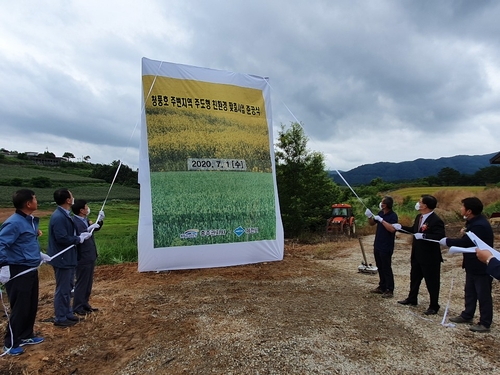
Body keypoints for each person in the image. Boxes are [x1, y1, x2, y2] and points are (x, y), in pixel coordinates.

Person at [0, 189, 48, 356]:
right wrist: (3, 266)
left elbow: (25, 243)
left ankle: (27, 335)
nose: (37, 201)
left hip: (30, 269)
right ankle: (10, 343)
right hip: (18, 270)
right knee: (20, 307)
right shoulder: (14, 223)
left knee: (31, 305)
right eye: (35, 198)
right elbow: (1, 244)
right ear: (28, 203)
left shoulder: (29, 222)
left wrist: (38, 255)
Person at [439, 197, 494, 333]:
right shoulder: (472, 222)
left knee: (483, 295)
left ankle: (485, 323)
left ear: (469, 211)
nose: (460, 209)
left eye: (462, 207)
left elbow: (466, 243)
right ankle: (467, 314)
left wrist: (448, 241)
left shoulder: (479, 225)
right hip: (471, 264)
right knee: (470, 292)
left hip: (481, 266)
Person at [47, 188, 92, 327]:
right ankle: (61, 317)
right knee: (63, 289)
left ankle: (67, 313)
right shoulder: (59, 217)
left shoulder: (64, 215)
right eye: (71, 195)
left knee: (68, 288)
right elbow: (61, 238)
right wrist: (78, 239)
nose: (73, 197)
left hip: (68, 257)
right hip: (63, 258)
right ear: (67, 200)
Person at [396, 195, 445, 315]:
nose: (418, 203)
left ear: (425, 206)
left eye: (420, 202)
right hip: (417, 254)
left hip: (430, 257)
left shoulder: (436, 220)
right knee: (414, 277)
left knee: (432, 281)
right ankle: (412, 298)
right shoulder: (419, 217)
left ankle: (434, 305)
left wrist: (424, 236)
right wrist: (400, 227)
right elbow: (414, 230)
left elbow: (440, 237)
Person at [71, 199, 103, 315]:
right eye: (86, 207)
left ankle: (85, 303)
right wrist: (85, 231)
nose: (87, 208)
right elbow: (78, 237)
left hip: (90, 255)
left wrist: (100, 220)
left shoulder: (85, 220)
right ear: (81, 210)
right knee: (82, 282)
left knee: (88, 282)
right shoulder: (74, 222)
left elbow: (94, 228)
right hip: (82, 257)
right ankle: (78, 306)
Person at [365, 196, 398, 298]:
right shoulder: (380, 213)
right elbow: (372, 224)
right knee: (380, 266)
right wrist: (369, 216)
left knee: (386, 267)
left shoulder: (393, 216)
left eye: (382, 202)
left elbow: (392, 229)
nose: (380, 203)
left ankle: (390, 289)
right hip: (378, 244)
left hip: (386, 245)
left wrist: (382, 220)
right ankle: (382, 286)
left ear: (385, 205)